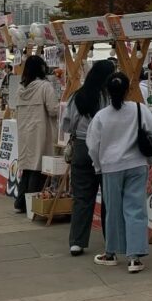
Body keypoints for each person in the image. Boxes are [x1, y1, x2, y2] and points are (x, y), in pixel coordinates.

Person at [87, 71, 152, 273]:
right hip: (137, 165)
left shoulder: (101, 116)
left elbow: (93, 145)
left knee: (113, 210)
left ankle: (111, 252)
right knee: (136, 209)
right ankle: (134, 257)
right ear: (129, 89)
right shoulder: (140, 109)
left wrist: (98, 165)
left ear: (107, 92)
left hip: (110, 167)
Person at [62, 59, 115, 256]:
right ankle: (111, 240)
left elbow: (67, 124)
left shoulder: (78, 96)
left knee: (82, 197)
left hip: (82, 147)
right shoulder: (109, 97)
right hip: (106, 148)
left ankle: (77, 241)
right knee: (109, 197)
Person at [14, 55, 58, 213]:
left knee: (27, 167)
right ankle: (32, 204)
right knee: (39, 167)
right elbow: (53, 110)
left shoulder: (20, 88)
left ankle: (20, 203)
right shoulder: (45, 86)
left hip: (24, 132)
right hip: (40, 131)